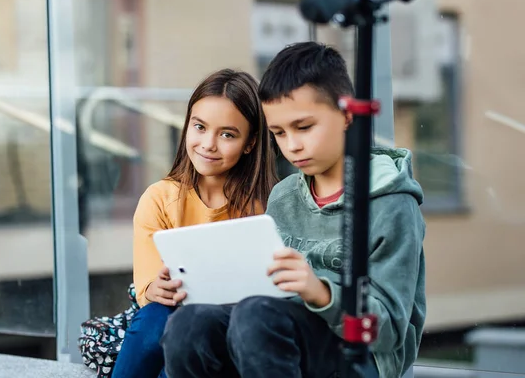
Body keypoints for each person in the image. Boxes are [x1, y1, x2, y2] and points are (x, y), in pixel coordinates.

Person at [161, 42, 426, 378]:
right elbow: (262, 296)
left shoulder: (391, 203)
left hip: (361, 359)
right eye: (279, 133)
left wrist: (319, 292)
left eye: (303, 128)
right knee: (189, 324)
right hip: (279, 339)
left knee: (258, 318)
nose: (292, 145)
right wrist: (197, 281)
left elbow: (387, 331)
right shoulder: (284, 195)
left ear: (346, 115)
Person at [111, 68, 279, 378]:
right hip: (168, 321)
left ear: (251, 143)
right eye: (199, 127)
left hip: (234, 328)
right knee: (156, 322)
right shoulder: (159, 199)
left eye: (227, 134)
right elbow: (147, 292)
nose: (208, 144)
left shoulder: (269, 207)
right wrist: (157, 288)